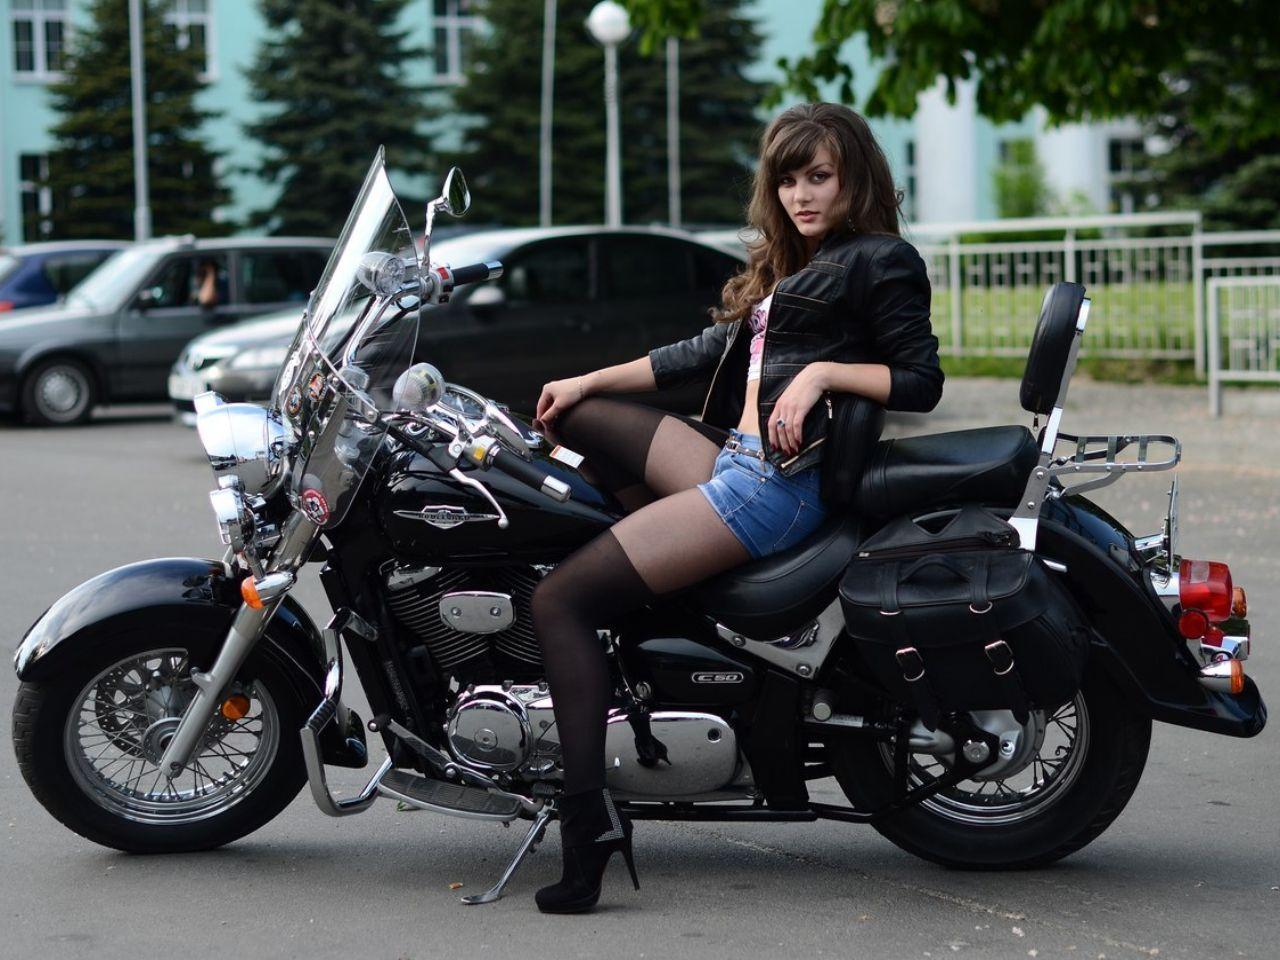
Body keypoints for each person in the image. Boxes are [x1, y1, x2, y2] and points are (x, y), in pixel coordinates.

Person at [528, 102, 944, 914]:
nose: (801, 195)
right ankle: (654, 587)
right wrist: (582, 379)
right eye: (788, 180)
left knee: (560, 602)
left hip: (771, 490)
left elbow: (921, 380)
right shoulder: (796, 263)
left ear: (855, 177)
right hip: (735, 461)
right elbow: (703, 353)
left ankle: (589, 830)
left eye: (818, 177)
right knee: (581, 419)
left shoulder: (880, 259)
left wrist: (821, 375)